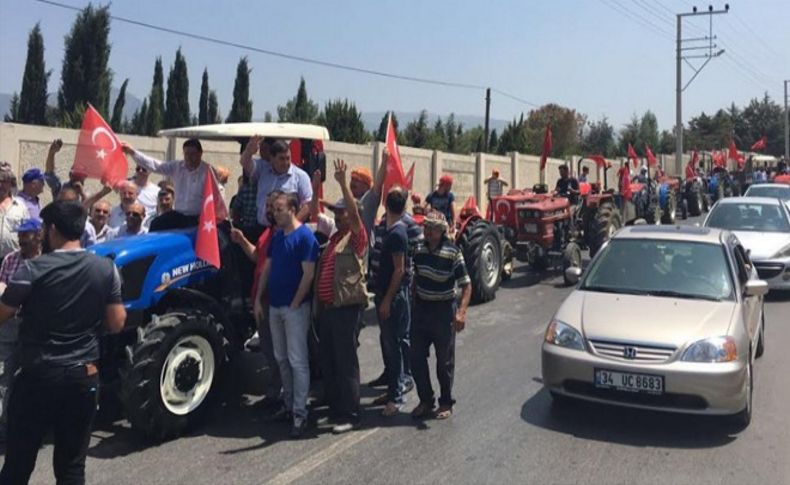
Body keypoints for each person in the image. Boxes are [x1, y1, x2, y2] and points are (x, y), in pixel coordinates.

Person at [0, 200, 126, 484]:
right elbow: (117, 323)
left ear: (52, 229)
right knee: (71, 468)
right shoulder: (107, 269)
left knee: (18, 465)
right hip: (83, 377)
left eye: (44, 228)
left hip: (38, 377)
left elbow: (3, 314)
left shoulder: (33, 269)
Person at [253, 192, 319, 438]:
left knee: (297, 360)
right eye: (274, 209)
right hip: (275, 307)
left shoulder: (305, 238)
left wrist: (295, 303)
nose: (275, 212)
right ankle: (289, 405)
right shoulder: (278, 237)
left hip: (294, 309)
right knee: (281, 357)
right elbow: (267, 268)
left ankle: (300, 414)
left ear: (292, 209)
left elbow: (308, 274)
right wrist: (260, 298)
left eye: (280, 209)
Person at [315, 160, 368, 434]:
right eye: (336, 213)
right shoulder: (336, 238)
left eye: (343, 213)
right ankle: (336, 410)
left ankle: (351, 414)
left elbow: (355, 216)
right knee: (330, 360)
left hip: (346, 309)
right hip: (328, 309)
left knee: (346, 361)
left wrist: (342, 183)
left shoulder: (357, 238)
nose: (338, 216)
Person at [410, 210, 471, 420]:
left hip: (444, 312)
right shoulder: (418, 249)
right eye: (426, 228)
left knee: (444, 362)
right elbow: (415, 276)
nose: (427, 232)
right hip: (421, 310)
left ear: (441, 231)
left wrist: (461, 312)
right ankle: (426, 400)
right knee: (416, 357)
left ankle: (446, 402)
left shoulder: (453, 253)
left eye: (432, 229)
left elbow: (466, 285)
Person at [230, 191, 283, 408]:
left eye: (274, 207)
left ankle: (280, 397)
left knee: (279, 352)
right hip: (260, 301)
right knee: (269, 351)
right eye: (268, 207)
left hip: (273, 301)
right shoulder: (267, 233)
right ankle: (273, 393)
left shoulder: (284, 234)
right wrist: (242, 241)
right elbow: (256, 257)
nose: (270, 211)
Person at [0, 218, 42, 441]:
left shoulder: (45, 262)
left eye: (26, 235)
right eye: (20, 235)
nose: (21, 239)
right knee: (3, 377)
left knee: (32, 378)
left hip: (34, 328)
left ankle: (32, 427)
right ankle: (3, 428)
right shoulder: (9, 260)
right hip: (8, 324)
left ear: (38, 236)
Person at [373, 187, 414, 416]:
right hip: (387, 295)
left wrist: (387, 300)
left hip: (394, 297)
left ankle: (396, 397)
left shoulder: (398, 233)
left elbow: (399, 271)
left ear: (386, 206)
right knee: (389, 345)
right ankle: (392, 390)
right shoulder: (391, 229)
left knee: (394, 345)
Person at [121, 138, 216, 230]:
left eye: (192, 154)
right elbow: (155, 165)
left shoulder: (208, 172)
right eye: (186, 154)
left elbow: (216, 197)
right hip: (179, 215)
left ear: (200, 153)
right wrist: (132, 152)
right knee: (156, 224)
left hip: (198, 218)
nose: (189, 158)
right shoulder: (177, 167)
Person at [240, 137, 313, 227]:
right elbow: (244, 162)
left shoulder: (300, 176)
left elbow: (308, 204)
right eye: (282, 159)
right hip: (260, 228)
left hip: (286, 230)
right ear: (272, 158)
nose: (286, 162)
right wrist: (249, 150)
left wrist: (293, 226)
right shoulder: (263, 169)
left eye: (288, 158)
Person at [43, 139, 92, 204]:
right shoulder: (61, 188)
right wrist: (51, 153)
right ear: (70, 175)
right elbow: (49, 173)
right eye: (76, 176)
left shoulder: (86, 194)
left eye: (81, 176)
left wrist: (82, 194)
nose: (78, 179)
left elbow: (88, 209)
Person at [0, 162, 30, 260]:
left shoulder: (20, 206)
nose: (1, 185)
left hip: (13, 259)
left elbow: (28, 231)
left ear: (11, 183)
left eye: (5, 181)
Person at [230, 174, 261, 243]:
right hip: (253, 230)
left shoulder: (245, 188)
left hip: (247, 229)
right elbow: (234, 211)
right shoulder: (246, 188)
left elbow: (235, 210)